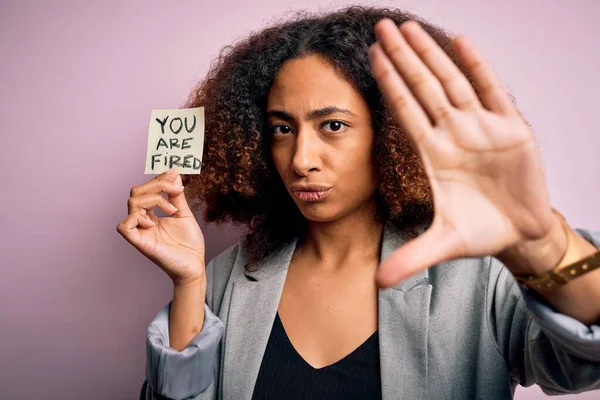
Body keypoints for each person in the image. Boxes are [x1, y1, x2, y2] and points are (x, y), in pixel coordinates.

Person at [116, 6, 600, 400]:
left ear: (392, 135)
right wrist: (188, 281)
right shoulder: (228, 277)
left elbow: (583, 364)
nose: (301, 159)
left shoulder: (479, 274)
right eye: (282, 129)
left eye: (333, 125)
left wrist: (543, 244)